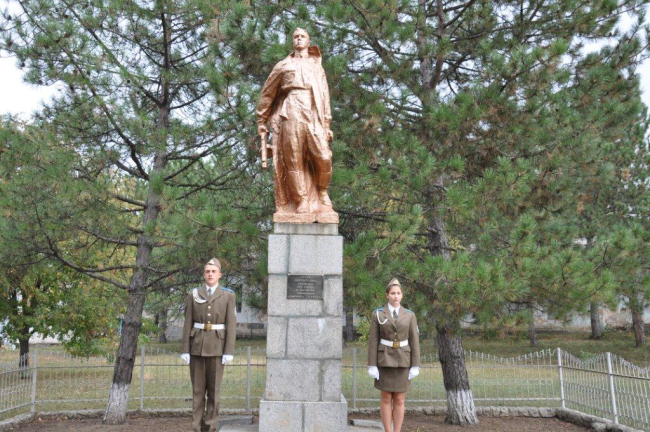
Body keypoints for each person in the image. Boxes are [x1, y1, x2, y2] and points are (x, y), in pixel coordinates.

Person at [257, 27, 334, 216]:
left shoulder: (316, 67)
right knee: (294, 159)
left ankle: (322, 190)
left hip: (313, 112)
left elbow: (325, 96)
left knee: (324, 157)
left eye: (302, 36)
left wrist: (326, 124)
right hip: (291, 111)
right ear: (293, 41)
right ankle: (301, 201)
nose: (299, 39)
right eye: (295, 37)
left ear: (308, 41)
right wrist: (262, 120)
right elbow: (267, 94)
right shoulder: (283, 65)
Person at [180, 258, 237, 432]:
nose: (210, 274)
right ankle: (196, 427)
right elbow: (187, 322)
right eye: (207, 271)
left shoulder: (228, 295)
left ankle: (211, 427)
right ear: (204, 275)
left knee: (214, 392)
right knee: (197, 392)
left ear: (220, 275)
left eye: (213, 271)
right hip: (197, 347)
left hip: (217, 349)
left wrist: (229, 351)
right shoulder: (194, 294)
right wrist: (185, 349)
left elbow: (231, 325)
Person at [367, 278, 420, 432]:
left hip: (403, 361)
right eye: (392, 293)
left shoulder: (410, 315)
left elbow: (414, 341)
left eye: (398, 293)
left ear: (402, 295)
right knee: (385, 398)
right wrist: (372, 364)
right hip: (384, 360)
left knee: (399, 399)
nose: (395, 296)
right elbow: (373, 340)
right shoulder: (378, 314)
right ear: (387, 295)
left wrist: (415, 365)